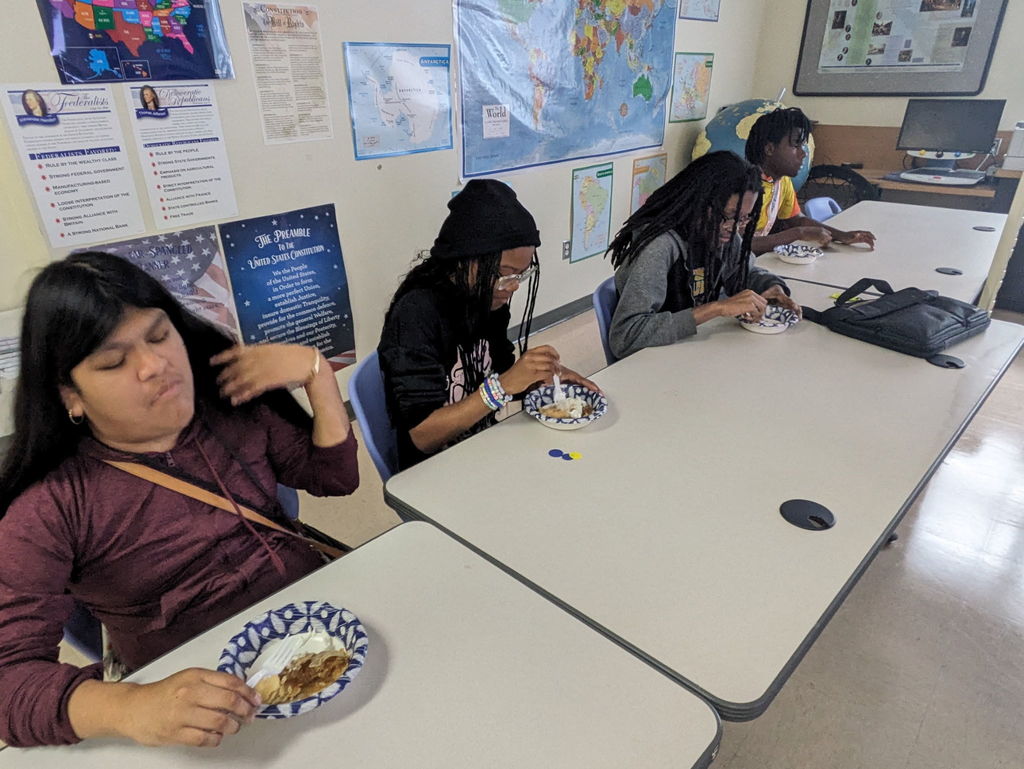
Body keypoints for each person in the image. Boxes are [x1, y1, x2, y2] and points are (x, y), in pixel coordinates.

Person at [0, 252, 359, 748]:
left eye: (159, 335)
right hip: (203, 696)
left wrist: (317, 374)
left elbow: (334, 478)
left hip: (317, 624)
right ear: (70, 397)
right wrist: (129, 706)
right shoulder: (52, 507)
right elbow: (9, 679)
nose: (156, 366)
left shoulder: (231, 405)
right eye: (112, 361)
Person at [378, 179, 596, 470]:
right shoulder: (417, 314)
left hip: (481, 445)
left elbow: (501, 372)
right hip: (434, 469)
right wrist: (503, 386)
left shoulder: (489, 301)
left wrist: (541, 378)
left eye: (521, 275)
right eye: (505, 274)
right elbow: (423, 436)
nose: (513, 287)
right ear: (465, 261)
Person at [607, 151, 802, 359]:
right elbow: (625, 338)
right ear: (699, 203)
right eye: (728, 216)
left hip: (693, 354)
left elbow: (744, 272)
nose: (734, 227)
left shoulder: (721, 234)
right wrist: (715, 308)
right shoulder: (659, 247)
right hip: (652, 364)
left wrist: (770, 287)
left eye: (744, 219)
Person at [744, 107, 876, 255]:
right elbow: (739, 243)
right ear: (769, 149)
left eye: (803, 146)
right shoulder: (743, 186)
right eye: (796, 145)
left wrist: (842, 236)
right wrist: (798, 233)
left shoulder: (782, 182)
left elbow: (797, 220)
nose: (803, 153)